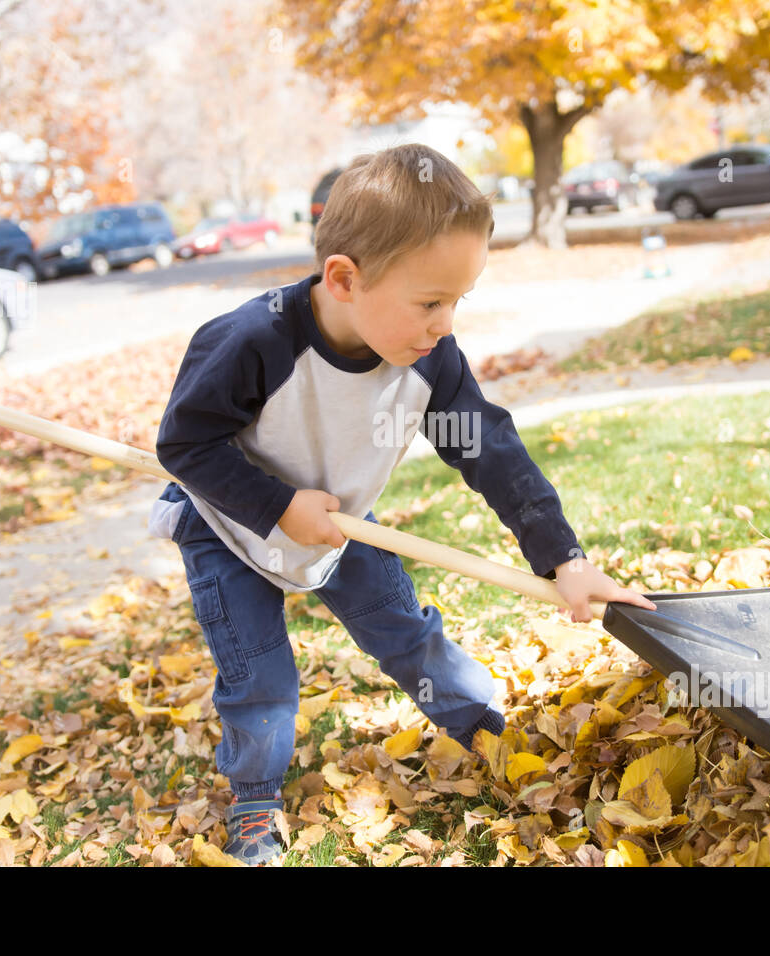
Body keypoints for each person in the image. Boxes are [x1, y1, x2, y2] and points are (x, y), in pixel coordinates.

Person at [149, 143, 655, 865]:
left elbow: (490, 450)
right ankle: (256, 797)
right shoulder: (251, 340)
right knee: (260, 677)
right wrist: (278, 504)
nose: (445, 323)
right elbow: (184, 443)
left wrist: (564, 558)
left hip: (342, 524)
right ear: (345, 278)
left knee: (405, 631)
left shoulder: (429, 358)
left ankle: (480, 727)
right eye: (430, 302)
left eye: (457, 302)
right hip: (227, 526)